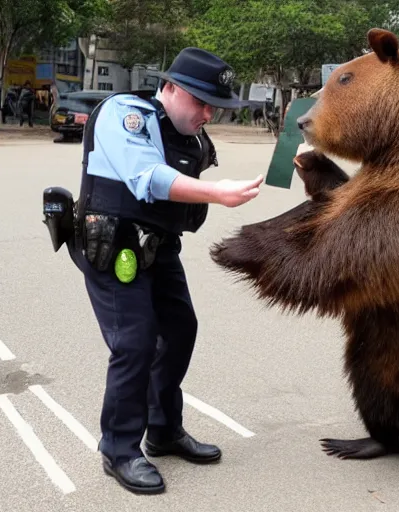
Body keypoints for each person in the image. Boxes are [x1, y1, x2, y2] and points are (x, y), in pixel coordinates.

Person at [64, 48, 263, 494]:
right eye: (202, 102)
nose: (209, 113)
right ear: (170, 87)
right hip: (113, 245)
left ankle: (163, 430)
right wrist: (216, 192)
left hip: (158, 249)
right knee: (134, 342)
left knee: (179, 330)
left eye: (216, 106)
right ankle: (119, 450)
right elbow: (146, 176)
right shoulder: (125, 114)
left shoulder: (189, 136)